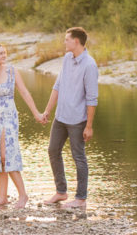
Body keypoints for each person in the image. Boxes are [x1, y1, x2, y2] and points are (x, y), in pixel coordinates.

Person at [0, 42, 47, 208]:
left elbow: (24, 92)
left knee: (6, 155)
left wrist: (36, 113)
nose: (4, 55)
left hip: (8, 117)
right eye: (0, 53)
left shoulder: (11, 71)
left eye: (4, 52)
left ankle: (23, 195)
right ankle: (3, 197)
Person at [41, 27, 98, 209]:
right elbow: (57, 86)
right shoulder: (66, 59)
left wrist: (89, 126)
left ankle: (80, 199)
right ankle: (61, 192)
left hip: (77, 120)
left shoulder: (89, 65)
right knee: (53, 150)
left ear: (76, 41)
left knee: (78, 157)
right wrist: (48, 111)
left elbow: (92, 98)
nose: (64, 42)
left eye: (67, 39)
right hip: (61, 116)